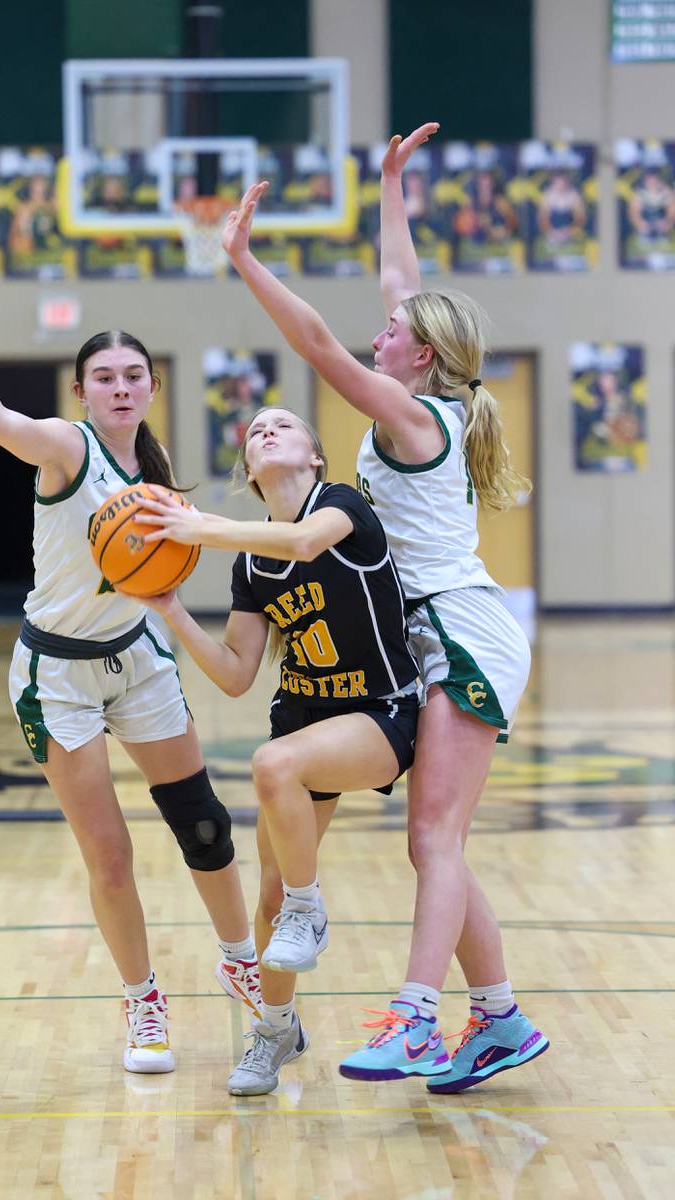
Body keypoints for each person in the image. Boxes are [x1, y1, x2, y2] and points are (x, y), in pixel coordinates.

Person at [218, 124, 549, 1094]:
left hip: (458, 627)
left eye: (394, 332)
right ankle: (496, 1020)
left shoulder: (414, 416)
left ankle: (413, 1021)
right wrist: (392, 184)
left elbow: (316, 341)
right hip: (434, 629)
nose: (381, 330)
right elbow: (397, 276)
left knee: (430, 838)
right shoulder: (424, 399)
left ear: (421, 355)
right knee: (436, 838)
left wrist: (244, 259)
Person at [0, 311, 261, 1075]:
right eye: (105, 377)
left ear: (153, 388)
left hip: (136, 659)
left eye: (134, 376)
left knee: (202, 824)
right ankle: (143, 1002)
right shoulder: (69, 447)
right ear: (82, 390)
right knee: (111, 855)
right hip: (56, 674)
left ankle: (245, 967)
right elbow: (0, 422)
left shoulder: (156, 481)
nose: (121, 387)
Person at [134, 405, 420, 1094]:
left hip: (380, 714)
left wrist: (198, 528)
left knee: (274, 765)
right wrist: (170, 609)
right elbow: (235, 673)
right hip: (304, 720)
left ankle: (309, 907)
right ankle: (277, 1026)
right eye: (256, 430)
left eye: (284, 425)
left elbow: (301, 544)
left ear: (314, 457)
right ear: (250, 470)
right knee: (265, 896)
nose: (266, 430)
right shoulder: (253, 566)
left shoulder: (341, 507)